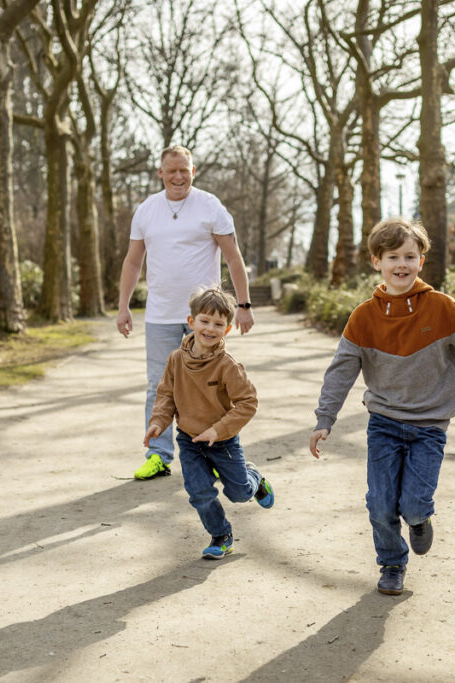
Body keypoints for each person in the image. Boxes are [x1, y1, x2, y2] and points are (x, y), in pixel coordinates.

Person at [309, 217, 455, 595]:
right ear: (377, 262)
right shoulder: (363, 317)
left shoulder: (442, 308)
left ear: (421, 261)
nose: (402, 264)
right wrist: (325, 418)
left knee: (412, 503)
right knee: (379, 504)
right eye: (393, 257)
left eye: (410, 256)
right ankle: (392, 563)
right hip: (384, 423)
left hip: (430, 425)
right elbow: (340, 372)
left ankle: (420, 517)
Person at [118, 145, 255, 481]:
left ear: (193, 172)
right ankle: (158, 455)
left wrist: (243, 305)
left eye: (185, 170)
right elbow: (133, 260)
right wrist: (123, 306)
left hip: (206, 317)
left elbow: (233, 257)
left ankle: (217, 453)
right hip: (160, 314)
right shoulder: (147, 210)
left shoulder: (210, 206)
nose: (178, 176)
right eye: (172, 170)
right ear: (161, 173)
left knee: (213, 385)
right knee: (158, 386)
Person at [145, 287, 273, 559]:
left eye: (218, 324)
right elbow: (166, 394)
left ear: (227, 329)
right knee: (199, 492)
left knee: (239, 493)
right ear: (191, 323)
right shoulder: (176, 359)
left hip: (223, 441)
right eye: (204, 321)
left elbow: (248, 402)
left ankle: (255, 478)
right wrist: (158, 422)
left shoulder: (228, 365)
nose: (210, 328)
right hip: (190, 440)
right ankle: (221, 534)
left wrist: (218, 429)